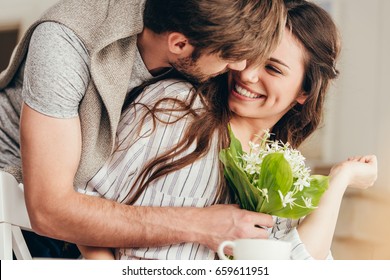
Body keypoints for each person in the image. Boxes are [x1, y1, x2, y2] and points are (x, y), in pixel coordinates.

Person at [75, 0, 378, 259]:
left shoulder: (282, 169)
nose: (247, 73)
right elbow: (87, 203)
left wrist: (339, 180)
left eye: (272, 68)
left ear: (304, 92)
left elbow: (298, 267)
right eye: (249, 54)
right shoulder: (176, 107)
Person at [0, 0, 286, 258]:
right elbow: (50, 212)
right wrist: (201, 225)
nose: (241, 68)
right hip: (19, 221)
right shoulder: (65, 41)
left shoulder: (196, 35)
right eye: (229, 56)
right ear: (179, 45)